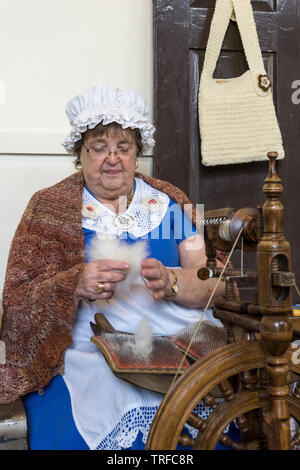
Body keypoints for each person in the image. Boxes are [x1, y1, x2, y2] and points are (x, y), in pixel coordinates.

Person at [0, 84, 227, 450]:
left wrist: (173, 281)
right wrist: (74, 283)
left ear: (138, 153)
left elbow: (211, 277)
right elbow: (17, 300)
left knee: (219, 395)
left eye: (124, 148)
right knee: (102, 393)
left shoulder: (168, 202)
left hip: (181, 341)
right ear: (80, 153)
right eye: (99, 148)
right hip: (89, 347)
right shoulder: (49, 207)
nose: (113, 159)